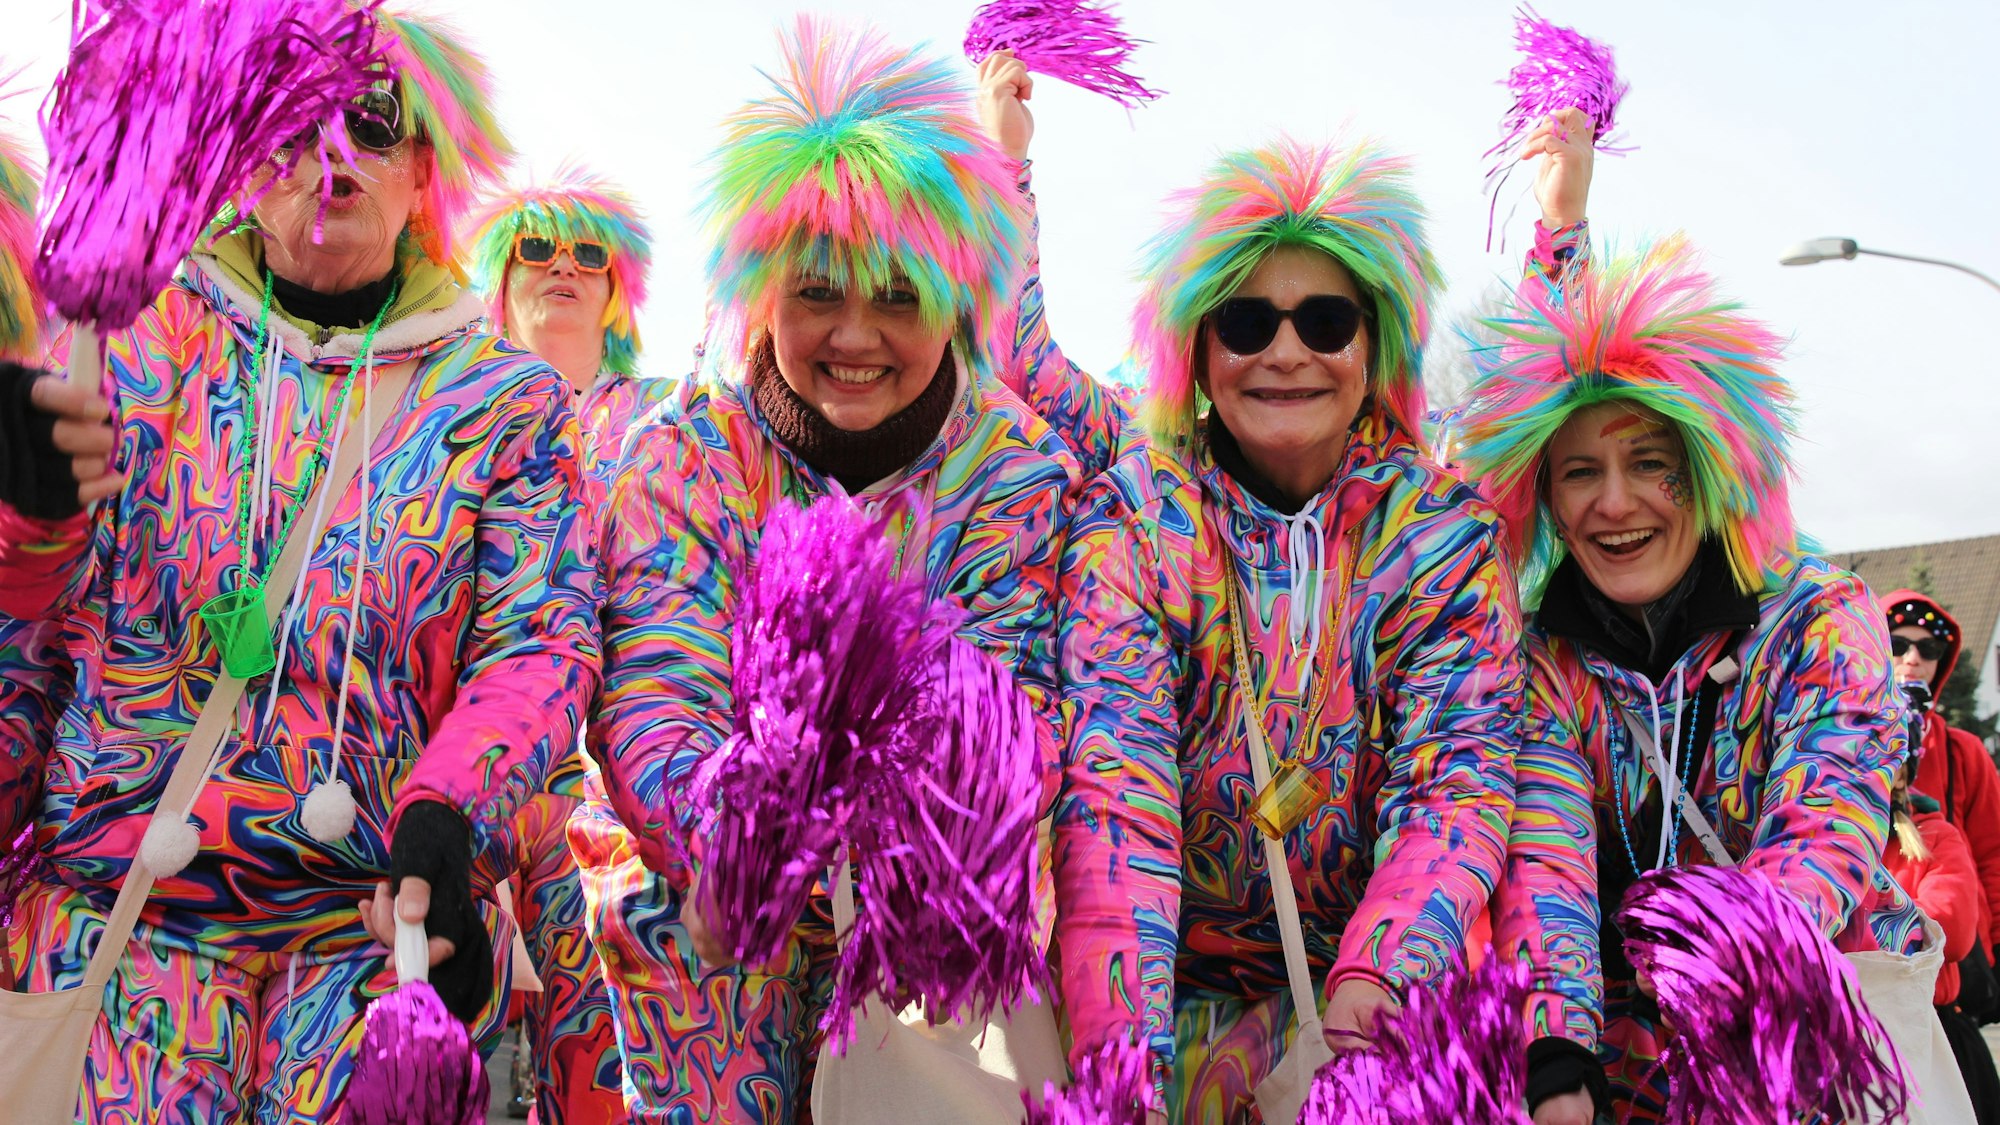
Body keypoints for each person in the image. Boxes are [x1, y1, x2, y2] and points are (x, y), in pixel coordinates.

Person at [0, 10, 598, 1120]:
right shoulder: (133, 346)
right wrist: (19, 512)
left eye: (370, 124)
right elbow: (23, 627)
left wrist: (451, 818)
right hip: (121, 930)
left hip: (364, 934)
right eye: (288, 121)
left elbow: (538, 647)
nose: (330, 154)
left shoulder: (504, 404)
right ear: (236, 152)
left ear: (424, 168)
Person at [978, 57, 1593, 1120]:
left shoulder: (1436, 536)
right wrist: (1120, 1070)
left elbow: (1452, 788)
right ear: (1196, 346)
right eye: (1246, 323)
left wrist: (1367, 1000)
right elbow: (1116, 799)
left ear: (1372, 343)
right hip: (1162, 998)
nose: (1286, 354)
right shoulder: (1137, 514)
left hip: (1369, 1006)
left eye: (1323, 321)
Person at [577, 21, 1075, 1121]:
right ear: (760, 292)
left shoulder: (1017, 471)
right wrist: (742, 843)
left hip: (923, 932)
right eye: (817, 293)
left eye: (897, 295)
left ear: (955, 297)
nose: (855, 334)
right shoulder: (683, 456)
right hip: (703, 927)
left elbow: (1006, 709)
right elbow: (657, 693)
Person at [1464, 236, 1927, 1124]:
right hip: (1629, 1075)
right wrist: (1557, 1054)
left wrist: (1724, 985)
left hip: (1803, 1050)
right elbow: (1547, 861)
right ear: (1548, 502)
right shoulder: (1542, 665)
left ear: (1709, 470)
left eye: (1648, 463)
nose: (1614, 502)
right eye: (1580, 473)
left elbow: (1825, 823)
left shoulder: (1816, 618)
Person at [464, 166, 664, 1124]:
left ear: (619, 289)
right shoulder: (450, 412)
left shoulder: (673, 423)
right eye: (536, 248)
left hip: (607, 798)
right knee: (435, 1059)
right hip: (469, 777)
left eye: (591, 254)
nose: (565, 268)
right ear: (498, 275)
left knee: (603, 1085)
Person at [1880, 733, 2000, 1122]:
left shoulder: (1935, 835)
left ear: (1901, 775)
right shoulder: (1810, 842)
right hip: (1838, 1040)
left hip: (1929, 1035)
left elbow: (1951, 929)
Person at [1885, 590, 2000, 965]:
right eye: (1896, 644)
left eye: (1928, 648)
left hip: (1956, 960)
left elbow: (1993, 855)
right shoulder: (1836, 735)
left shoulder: (1962, 750)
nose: (1912, 658)